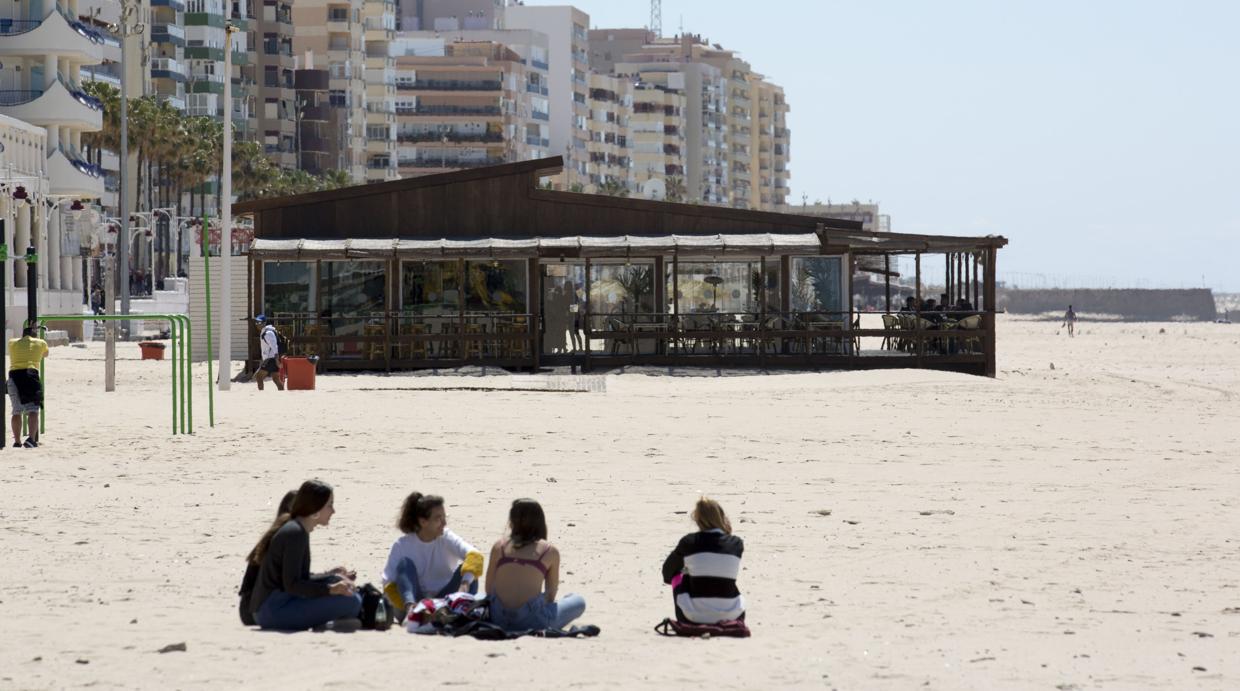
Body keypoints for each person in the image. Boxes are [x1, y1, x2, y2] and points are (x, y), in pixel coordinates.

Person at [247, 479, 361, 631]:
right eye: (329, 505)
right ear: (316, 508)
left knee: (349, 593)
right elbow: (293, 584)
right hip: (272, 611)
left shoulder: (297, 529)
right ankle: (327, 624)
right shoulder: (296, 533)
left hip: (271, 607)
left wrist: (331, 578)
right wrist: (330, 589)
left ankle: (325, 622)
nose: (333, 511)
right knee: (352, 602)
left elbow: (296, 578)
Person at [484, 498, 586, 631]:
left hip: (498, 619)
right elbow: (550, 595)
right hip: (533, 621)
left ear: (511, 522)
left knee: (477, 597)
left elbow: (489, 589)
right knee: (578, 601)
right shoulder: (549, 551)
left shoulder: (500, 547)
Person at [381, 492, 484, 620]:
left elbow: (475, 556)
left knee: (469, 572)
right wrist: (413, 604)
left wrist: (464, 586)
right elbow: (388, 584)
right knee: (404, 564)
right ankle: (412, 613)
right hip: (413, 601)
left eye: (444, 517)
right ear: (423, 522)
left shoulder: (446, 537)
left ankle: (448, 614)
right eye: (438, 519)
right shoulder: (402, 545)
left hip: (444, 601)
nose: (444, 523)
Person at [662, 497, 745, 624]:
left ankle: (692, 610)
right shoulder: (736, 543)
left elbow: (667, 573)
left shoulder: (689, 542)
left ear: (697, 519)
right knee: (723, 575)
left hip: (692, 618)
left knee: (678, 574)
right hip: (733, 615)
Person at [239, 489, 297, 625]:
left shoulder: (273, 535)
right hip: (257, 610)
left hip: (248, 608)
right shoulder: (287, 537)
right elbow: (293, 582)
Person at [8, 324, 48, 448]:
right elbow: (45, 354)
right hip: (30, 375)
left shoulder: (12, 343)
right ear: (35, 335)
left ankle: (17, 441)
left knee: (16, 411)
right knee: (33, 410)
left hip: (14, 376)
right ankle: (31, 438)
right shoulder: (41, 343)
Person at [253, 314, 284, 391]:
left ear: (264, 323)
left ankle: (261, 394)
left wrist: (277, 360)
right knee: (276, 379)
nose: (257, 324)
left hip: (271, 359)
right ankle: (282, 393)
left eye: (259, 322)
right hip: (271, 358)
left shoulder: (268, 333)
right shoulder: (265, 332)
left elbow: (274, 346)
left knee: (258, 377)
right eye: (256, 322)